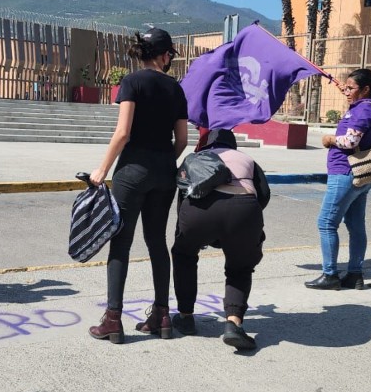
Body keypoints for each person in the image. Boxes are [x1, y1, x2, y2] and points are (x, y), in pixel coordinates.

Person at [88, 28, 188, 344]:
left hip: (131, 171)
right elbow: (182, 139)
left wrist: (102, 170)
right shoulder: (176, 89)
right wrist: (163, 160)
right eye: (170, 54)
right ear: (164, 55)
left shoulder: (132, 82)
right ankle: (162, 316)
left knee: (121, 242)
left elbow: (123, 133)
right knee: (157, 241)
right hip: (164, 171)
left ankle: (113, 320)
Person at [171, 129, 268, 350]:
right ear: (232, 145)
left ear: (206, 144)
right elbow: (264, 195)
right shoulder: (247, 159)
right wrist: (244, 224)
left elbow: (182, 194)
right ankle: (233, 323)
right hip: (243, 210)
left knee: (184, 255)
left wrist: (187, 232)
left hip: (198, 213)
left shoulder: (194, 158)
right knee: (239, 267)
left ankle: (185, 316)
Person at [306, 68, 371, 291]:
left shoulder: (363, 109)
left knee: (326, 223)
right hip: (361, 173)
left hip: (346, 173)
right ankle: (354, 274)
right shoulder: (370, 106)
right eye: (346, 88)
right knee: (355, 224)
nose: (346, 91)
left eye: (351, 88)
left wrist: (330, 139)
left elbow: (351, 141)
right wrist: (349, 90)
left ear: (365, 89)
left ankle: (330, 275)